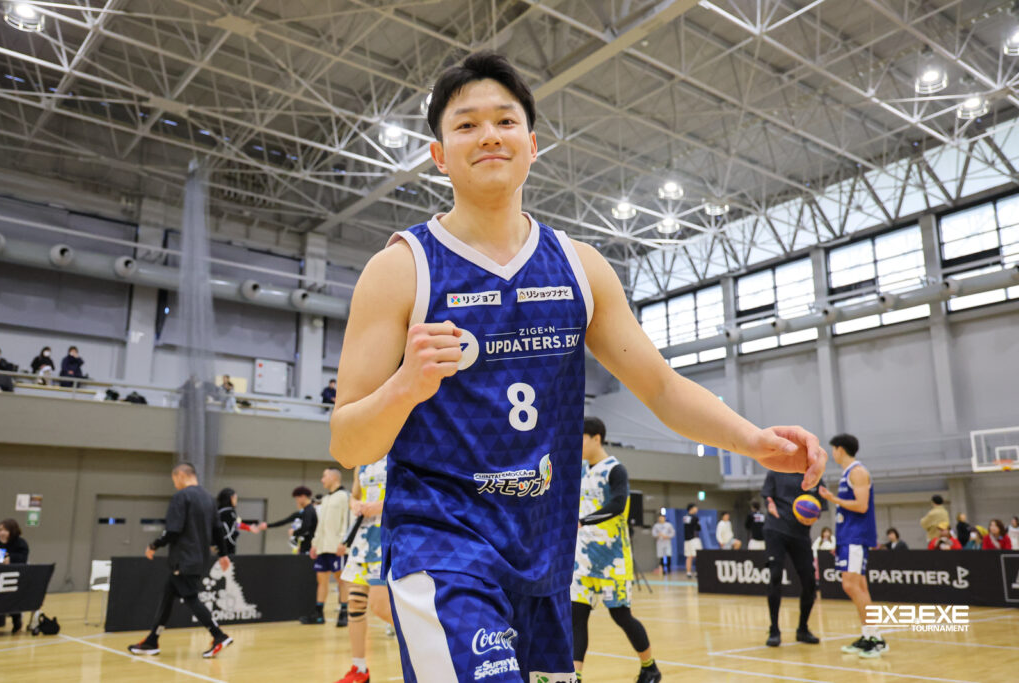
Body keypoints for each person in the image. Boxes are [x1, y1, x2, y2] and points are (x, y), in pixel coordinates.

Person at [327, 51, 826, 680]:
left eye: (505, 121)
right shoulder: (401, 269)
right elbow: (348, 444)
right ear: (439, 155)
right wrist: (406, 385)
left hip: (545, 552)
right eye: (466, 124)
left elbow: (662, 388)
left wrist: (752, 441)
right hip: (443, 545)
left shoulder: (580, 267)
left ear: (532, 145)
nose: (489, 135)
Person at [571, 418, 660, 683]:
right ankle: (575, 676)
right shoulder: (580, 471)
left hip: (613, 559)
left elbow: (619, 504)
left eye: (581, 438)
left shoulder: (615, 469)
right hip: (582, 559)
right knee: (576, 617)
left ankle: (650, 667)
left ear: (596, 437)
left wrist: (584, 521)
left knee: (621, 616)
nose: (577, 444)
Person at [127, 463, 233, 659]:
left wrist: (154, 545)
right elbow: (218, 530)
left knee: (191, 597)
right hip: (200, 559)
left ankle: (219, 635)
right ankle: (152, 640)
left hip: (184, 558)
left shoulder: (181, 497)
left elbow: (173, 530)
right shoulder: (209, 499)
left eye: (174, 480)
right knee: (168, 594)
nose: (175, 484)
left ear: (181, 476)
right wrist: (223, 554)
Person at [819, 434, 885, 658]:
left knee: (851, 585)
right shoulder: (848, 473)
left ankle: (874, 639)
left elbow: (861, 505)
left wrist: (833, 499)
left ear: (840, 449)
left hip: (857, 536)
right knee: (859, 587)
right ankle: (870, 635)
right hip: (848, 536)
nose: (832, 454)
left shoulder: (857, 471)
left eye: (833, 449)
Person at [336, 456, 393, 683]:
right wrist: (355, 504)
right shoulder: (361, 462)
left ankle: (430, 645)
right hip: (363, 539)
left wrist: (379, 506)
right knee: (355, 604)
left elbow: (407, 494)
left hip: (386, 536)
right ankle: (359, 669)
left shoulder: (396, 454)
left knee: (380, 607)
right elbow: (354, 495)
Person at [760, 470, 826, 647]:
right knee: (775, 576)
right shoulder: (775, 471)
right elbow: (767, 497)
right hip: (776, 529)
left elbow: (819, 507)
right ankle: (774, 630)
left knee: (809, 581)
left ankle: (803, 629)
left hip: (801, 534)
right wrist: (770, 504)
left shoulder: (814, 475)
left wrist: (813, 516)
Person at [305, 467, 350, 626]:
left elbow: (348, 521)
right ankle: (318, 613)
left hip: (337, 547)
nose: (322, 480)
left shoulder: (345, 496)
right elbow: (320, 525)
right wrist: (315, 544)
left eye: (324, 476)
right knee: (321, 579)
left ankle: (344, 613)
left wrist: (344, 542)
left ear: (333, 477)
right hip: (323, 547)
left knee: (341, 579)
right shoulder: (325, 499)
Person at [260, 486, 317, 554]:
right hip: (305, 546)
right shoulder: (304, 511)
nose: (297, 501)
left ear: (303, 497)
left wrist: (294, 532)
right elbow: (286, 521)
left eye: (297, 498)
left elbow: (305, 527)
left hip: (310, 547)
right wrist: (268, 525)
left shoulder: (309, 511)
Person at [0, 519, 29, 634]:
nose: (2, 532)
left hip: (15, 577)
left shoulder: (21, 543)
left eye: (5, 530)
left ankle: (17, 622)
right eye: (0, 530)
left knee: (13, 599)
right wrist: (2, 544)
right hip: (0, 576)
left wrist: (10, 559)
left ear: (12, 531)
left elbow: (23, 559)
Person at [216, 488, 257, 556]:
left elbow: (236, 523)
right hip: (226, 546)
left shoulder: (222, 511)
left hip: (222, 546)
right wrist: (249, 528)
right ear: (231, 498)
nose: (236, 500)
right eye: (235, 498)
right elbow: (236, 523)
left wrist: (248, 527)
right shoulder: (228, 512)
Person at [683, 504, 702, 578]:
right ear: (691, 509)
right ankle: (692, 572)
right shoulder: (693, 518)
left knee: (690, 556)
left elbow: (698, 528)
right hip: (693, 539)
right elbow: (697, 527)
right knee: (693, 556)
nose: (697, 509)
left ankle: (691, 572)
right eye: (695, 508)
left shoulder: (686, 517)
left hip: (688, 539)